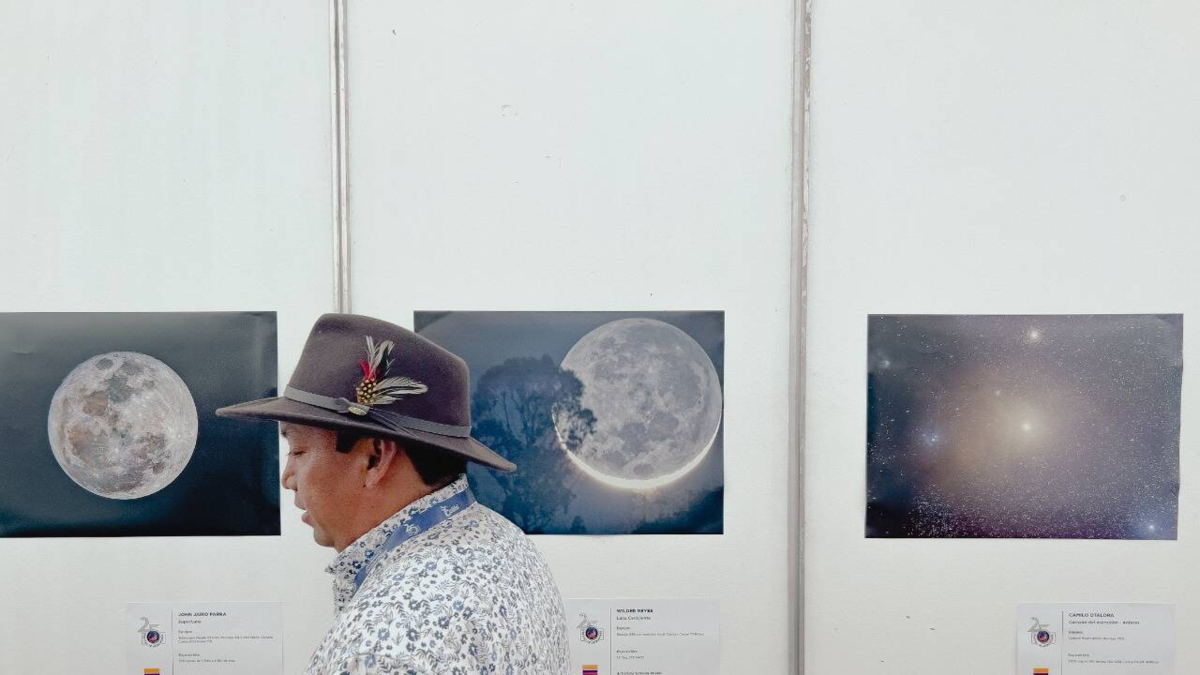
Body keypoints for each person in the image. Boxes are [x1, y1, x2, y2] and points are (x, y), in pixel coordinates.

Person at [217, 313, 570, 674]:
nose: (288, 478)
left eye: (298, 450)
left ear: (373, 458)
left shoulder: (380, 649)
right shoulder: (504, 540)